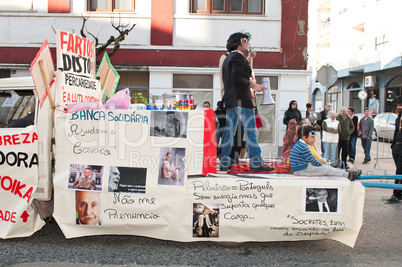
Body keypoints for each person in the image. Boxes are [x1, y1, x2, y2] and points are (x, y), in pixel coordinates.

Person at [219, 31, 273, 173]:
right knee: (250, 132)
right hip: (242, 100)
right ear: (238, 43)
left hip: (231, 100)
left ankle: (224, 162)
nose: (247, 43)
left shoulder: (229, 58)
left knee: (229, 133)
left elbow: (236, 75)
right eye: (244, 41)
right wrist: (254, 86)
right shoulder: (237, 58)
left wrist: (248, 60)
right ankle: (256, 163)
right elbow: (237, 77)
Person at [289, 125, 361, 180]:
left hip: (300, 168)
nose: (314, 139)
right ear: (304, 137)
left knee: (325, 167)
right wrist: (323, 166)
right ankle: (348, 175)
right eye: (312, 137)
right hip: (301, 170)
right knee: (326, 169)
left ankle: (343, 172)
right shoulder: (303, 146)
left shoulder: (300, 143)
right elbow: (313, 161)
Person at [388, 96, 402, 203]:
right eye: (398, 105)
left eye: (400, 105)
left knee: (399, 171)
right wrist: (393, 145)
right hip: (397, 146)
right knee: (399, 169)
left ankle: (397, 194)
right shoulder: (398, 118)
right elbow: (396, 131)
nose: (399, 107)